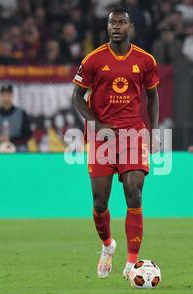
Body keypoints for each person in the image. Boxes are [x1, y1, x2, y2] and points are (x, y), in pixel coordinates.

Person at [71, 8, 160, 280]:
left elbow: (153, 97)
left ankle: (131, 264)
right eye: (112, 23)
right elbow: (77, 98)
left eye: (121, 22)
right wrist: (96, 124)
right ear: (107, 27)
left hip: (133, 134)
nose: (116, 27)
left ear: (130, 26)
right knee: (100, 202)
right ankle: (108, 245)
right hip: (102, 136)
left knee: (134, 192)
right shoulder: (93, 60)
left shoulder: (145, 60)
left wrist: (153, 132)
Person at [0, 84, 32, 152]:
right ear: (0, 96)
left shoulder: (21, 113)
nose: (6, 98)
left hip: (18, 150)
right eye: (4, 95)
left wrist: (11, 139)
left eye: (8, 95)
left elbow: (28, 135)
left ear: (12, 96)